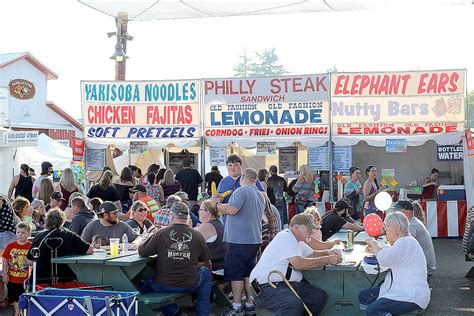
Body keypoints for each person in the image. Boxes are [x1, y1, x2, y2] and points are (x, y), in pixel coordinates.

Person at [250, 213, 342, 315]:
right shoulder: (286, 236)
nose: (311, 232)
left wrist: (328, 253)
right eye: (308, 229)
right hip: (265, 286)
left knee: (318, 297)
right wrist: (328, 259)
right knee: (292, 304)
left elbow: (312, 254)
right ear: (296, 227)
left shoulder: (298, 240)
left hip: (284, 284)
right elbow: (298, 264)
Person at [138, 202, 212, 316]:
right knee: (206, 273)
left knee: (141, 284)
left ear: (171, 216)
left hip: (163, 285)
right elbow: (206, 262)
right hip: (190, 284)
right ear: (187, 217)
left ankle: (173, 311)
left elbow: (142, 251)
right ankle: (202, 313)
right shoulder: (197, 235)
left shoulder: (160, 233)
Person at [210, 168, 265, 315]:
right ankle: (249, 303)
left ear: (243, 177)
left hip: (239, 240)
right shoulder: (260, 195)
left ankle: (236, 306)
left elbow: (232, 210)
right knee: (248, 273)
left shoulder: (241, 191)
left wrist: (216, 204)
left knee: (236, 274)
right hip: (254, 239)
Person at [359, 212, 430, 315]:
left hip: (411, 295)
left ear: (397, 227)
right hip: (404, 289)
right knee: (364, 296)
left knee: (372, 310)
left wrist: (373, 243)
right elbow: (390, 254)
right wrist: (376, 249)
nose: (385, 230)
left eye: (387, 226)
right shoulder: (406, 241)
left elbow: (384, 259)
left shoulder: (405, 242)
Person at [26, 208, 94, 285]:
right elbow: (90, 250)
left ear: (47, 220)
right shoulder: (69, 235)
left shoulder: (39, 236)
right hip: (65, 280)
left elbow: (29, 261)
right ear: (62, 221)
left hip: (39, 280)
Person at [395, 200, 436, 277]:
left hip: (424, 268)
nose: (396, 212)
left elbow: (402, 244)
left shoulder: (412, 226)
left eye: (398, 210)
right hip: (426, 265)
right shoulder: (414, 222)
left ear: (407, 212)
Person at [2, 222, 32, 316]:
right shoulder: (11, 246)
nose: (20, 235)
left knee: (22, 297)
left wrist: (29, 261)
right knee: (13, 298)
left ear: (28, 234)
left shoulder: (30, 246)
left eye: (23, 233)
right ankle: (18, 311)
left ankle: (18, 313)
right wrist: (5, 273)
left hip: (24, 278)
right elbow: (5, 260)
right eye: (18, 232)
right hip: (12, 277)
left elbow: (33, 262)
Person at [196, 200, 227, 274]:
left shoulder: (207, 226)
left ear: (208, 212)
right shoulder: (218, 223)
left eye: (200, 210)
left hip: (213, 269)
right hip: (221, 265)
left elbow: (190, 243)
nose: (198, 212)